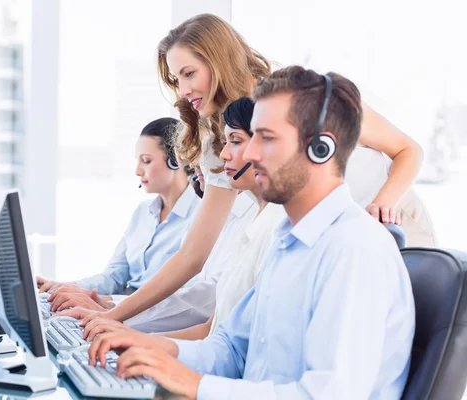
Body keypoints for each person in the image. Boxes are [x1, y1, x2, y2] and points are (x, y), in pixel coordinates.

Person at [62, 12, 432, 328]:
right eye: (176, 80)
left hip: (391, 221)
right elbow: (193, 255)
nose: (182, 90)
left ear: (218, 60)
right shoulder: (220, 146)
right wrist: (116, 314)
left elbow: (407, 149)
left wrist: (381, 205)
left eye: (189, 73)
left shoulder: (304, 98)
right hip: (328, 243)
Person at [87, 67, 415, 400]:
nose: (251, 153)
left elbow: (328, 394)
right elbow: (231, 347)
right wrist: (148, 346)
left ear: (321, 148)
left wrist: (193, 385)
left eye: (267, 138)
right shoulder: (287, 243)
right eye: (252, 136)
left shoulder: (353, 249)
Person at [81, 97, 285, 338]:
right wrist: (115, 318)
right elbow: (215, 329)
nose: (223, 157)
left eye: (234, 142)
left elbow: (207, 312)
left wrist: (118, 320)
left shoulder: (268, 226)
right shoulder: (240, 222)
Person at [36, 117, 201, 311]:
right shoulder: (142, 214)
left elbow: (186, 296)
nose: (138, 171)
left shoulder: (201, 217)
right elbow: (114, 276)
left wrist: (108, 303)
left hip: (154, 318)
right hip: (119, 310)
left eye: (146, 161)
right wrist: (63, 288)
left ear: (176, 159)